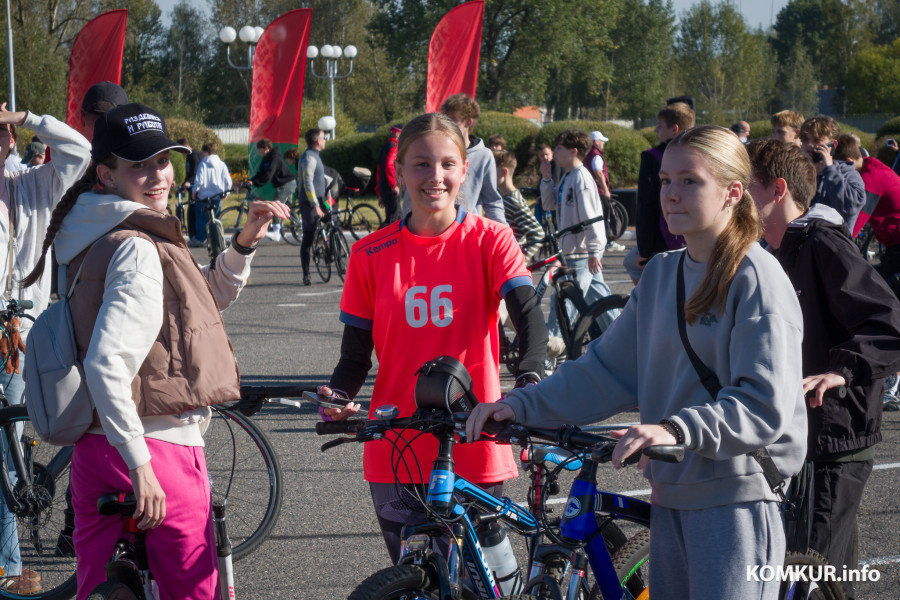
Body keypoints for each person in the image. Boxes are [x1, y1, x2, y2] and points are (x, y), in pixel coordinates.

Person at [470, 125, 808, 600]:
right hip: (670, 498)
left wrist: (675, 429)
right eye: (665, 181)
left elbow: (761, 405)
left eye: (690, 181)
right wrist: (520, 405)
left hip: (736, 501)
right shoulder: (662, 275)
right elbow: (604, 371)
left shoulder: (756, 275)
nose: (671, 194)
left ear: (734, 192)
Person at [21, 103, 288, 600]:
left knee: (92, 590)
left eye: (163, 160)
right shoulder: (138, 245)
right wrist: (140, 464)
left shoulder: (87, 232)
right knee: (195, 591)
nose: (157, 174)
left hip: (92, 449)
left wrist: (243, 245)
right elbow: (106, 363)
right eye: (139, 165)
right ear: (105, 174)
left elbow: (195, 304)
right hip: (155, 445)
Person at [319, 112, 547, 564]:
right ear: (400, 171)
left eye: (447, 164)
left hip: (474, 437)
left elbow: (530, 317)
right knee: (416, 581)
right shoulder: (370, 253)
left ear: (465, 170)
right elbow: (354, 357)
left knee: (481, 585)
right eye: (421, 164)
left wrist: (529, 381)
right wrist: (337, 395)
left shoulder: (491, 239)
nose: (435, 176)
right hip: (396, 444)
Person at [747, 137, 900, 599]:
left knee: (806, 580)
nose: (732, 193)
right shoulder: (777, 251)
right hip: (806, 437)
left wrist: (841, 369)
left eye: (743, 184)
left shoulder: (822, 243)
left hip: (836, 436)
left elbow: (887, 320)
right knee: (832, 579)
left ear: (777, 190)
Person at [0, 103, 91, 593]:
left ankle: (8, 566)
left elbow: (80, 150)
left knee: (13, 453)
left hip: (23, 336)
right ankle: (8, 568)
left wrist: (26, 117)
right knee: (4, 453)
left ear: (10, 142)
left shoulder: (36, 187)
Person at [539, 128, 618, 337]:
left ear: (573, 151)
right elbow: (549, 203)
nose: (554, 153)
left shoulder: (581, 178)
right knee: (600, 300)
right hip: (576, 252)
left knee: (565, 305)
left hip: (581, 254)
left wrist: (593, 251)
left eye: (559, 149)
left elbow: (592, 218)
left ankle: (552, 351)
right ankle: (624, 337)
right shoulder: (568, 177)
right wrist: (546, 179)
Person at [401, 94, 507, 225]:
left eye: (453, 121)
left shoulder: (484, 156)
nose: (446, 126)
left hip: (466, 235)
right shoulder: (428, 150)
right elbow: (410, 197)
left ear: (468, 122)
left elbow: (492, 201)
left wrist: (505, 233)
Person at [626, 101, 694, 282]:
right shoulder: (700, 154)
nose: (656, 130)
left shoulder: (652, 157)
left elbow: (646, 204)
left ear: (675, 129)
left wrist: (645, 248)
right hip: (693, 236)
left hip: (662, 237)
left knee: (631, 263)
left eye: (660, 125)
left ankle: (643, 306)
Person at [799, 115, 866, 233]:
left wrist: (829, 170)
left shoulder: (848, 174)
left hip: (834, 246)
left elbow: (850, 208)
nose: (809, 145)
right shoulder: (798, 173)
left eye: (816, 140)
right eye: (805, 140)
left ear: (833, 145)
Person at [494, 149, 542, 261]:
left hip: (509, 263)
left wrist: (520, 262)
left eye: (491, 170)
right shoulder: (500, 197)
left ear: (504, 171)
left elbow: (537, 233)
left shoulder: (514, 200)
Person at [249, 138, 295, 241]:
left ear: (266, 148)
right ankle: (296, 221)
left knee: (276, 206)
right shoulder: (266, 158)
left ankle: (276, 233)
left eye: (260, 149)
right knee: (287, 208)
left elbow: (269, 174)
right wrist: (251, 180)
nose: (258, 152)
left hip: (286, 184)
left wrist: (256, 183)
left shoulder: (275, 157)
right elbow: (261, 172)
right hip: (284, 184)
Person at [190, 142, 233, 247]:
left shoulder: (203, 163)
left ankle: (202, 239)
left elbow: (199, 181)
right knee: (217, 218)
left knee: (201, 218)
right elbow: (228, 181)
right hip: (217, 196)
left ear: (206, 152)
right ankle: (217, 238)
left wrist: (194, 192)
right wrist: (226, 192)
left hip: (204, 196)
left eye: (203, 152)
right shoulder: (221, 164)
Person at [299, 128, 327, 286]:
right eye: (324, 138)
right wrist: (315, 205)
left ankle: (333, 255)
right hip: (309, 202)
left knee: (332, 222)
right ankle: (306, 274)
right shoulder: (309, 157)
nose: (325, 140)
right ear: (317, 141)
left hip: (321, 198)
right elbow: (307, 183)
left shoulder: (316, 156)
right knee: (308, 237)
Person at [178, 138, 203, 241]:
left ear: (185, 146)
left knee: (194, 211)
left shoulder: (195, 155)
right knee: (190, 211)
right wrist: (184, 184)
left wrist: (189, 182)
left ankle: (195, 235)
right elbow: (188, 174)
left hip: (196, 188)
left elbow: (196, 172)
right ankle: (192, 234)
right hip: (190, 187)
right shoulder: (188, 157)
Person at [376, 125, 402, 225]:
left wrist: (380, 192)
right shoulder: (393, 147)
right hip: (390, 187)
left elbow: (379, 170)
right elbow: (389, 166)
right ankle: (377, 238)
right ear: (396, 134)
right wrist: (394, 185)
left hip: (384, 187)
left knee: (395, 216)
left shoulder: (384, 147)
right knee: (394, 217)